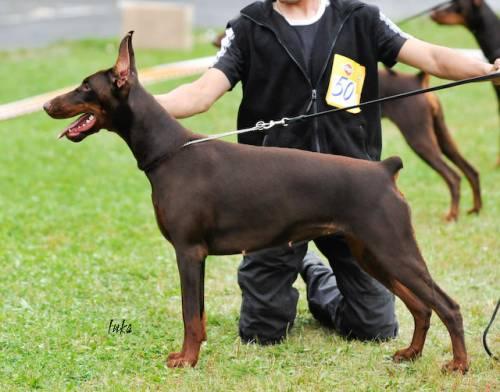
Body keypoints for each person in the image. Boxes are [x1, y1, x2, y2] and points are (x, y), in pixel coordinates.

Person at [156, 0, 500, 345]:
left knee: (374, 327)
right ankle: (299, 262)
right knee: (262, 330)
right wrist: (131, 104)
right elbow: (199, 95)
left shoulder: (361, 18)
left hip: (350, 194)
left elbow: (434, 58)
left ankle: (315, 274)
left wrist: (487, 69)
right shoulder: (248, 26)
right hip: (272, 202)